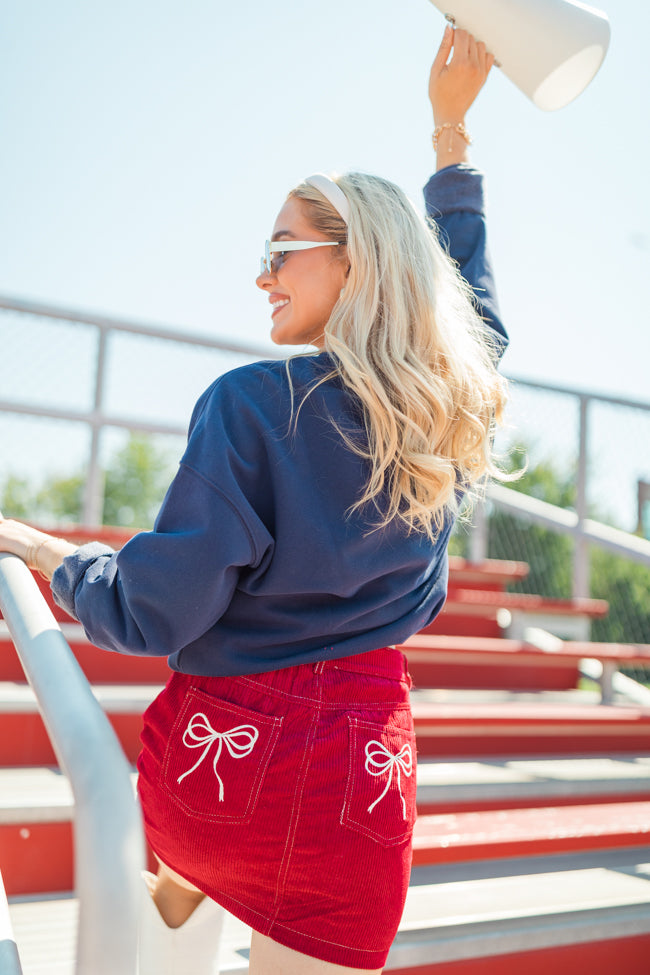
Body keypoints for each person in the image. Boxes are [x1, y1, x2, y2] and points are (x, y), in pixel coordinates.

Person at [0, 26, 507, 975]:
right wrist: (452, 142)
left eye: (282, 250)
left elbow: (153, 610)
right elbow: (473, 312)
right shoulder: (450, 413)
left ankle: (181, 889)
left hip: (228, 774)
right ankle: (189, 890)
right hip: (364, 793)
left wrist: (50, 554)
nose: (261, 274)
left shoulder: (249, 406)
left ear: (355, 265)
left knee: (187, 854)